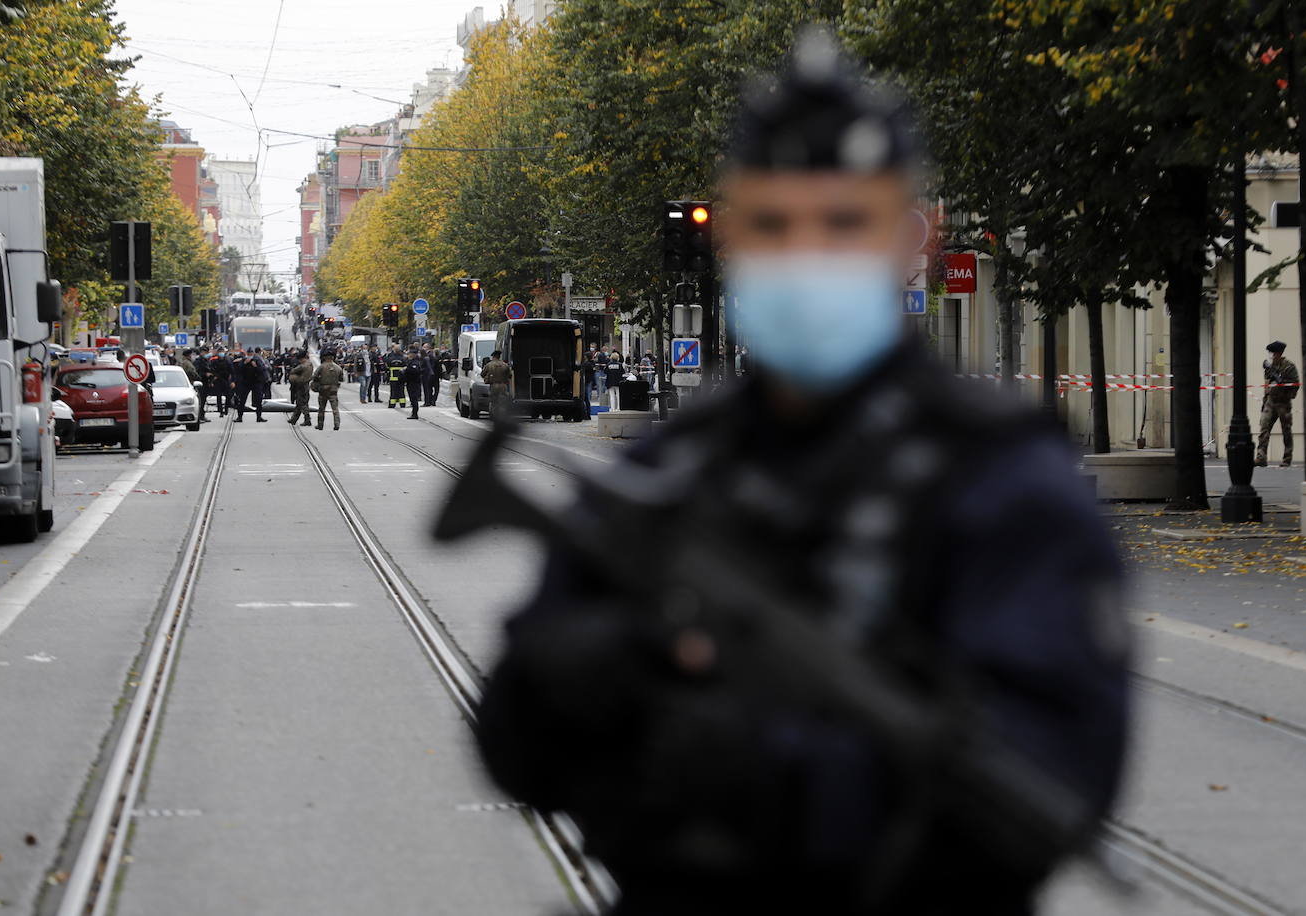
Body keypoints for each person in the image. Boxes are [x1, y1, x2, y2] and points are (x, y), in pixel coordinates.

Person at [473, 31, 1128, 916]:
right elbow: (516, 742)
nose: (808, 253)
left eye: (844, 223)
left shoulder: (998, 479)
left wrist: (768, 771)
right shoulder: (682, 461)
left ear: (911, 240)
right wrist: (596, 668)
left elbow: (1047, 781)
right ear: (731, 234)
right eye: (775, 224)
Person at [1256, 340, 1300, 468]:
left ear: (1279, 353)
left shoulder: (1289, 367)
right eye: (1271, 353)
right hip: (1270, 401)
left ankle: (1287, 458)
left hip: (1283, 402)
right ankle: (1261, 457)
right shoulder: (1270, 367)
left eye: (1273, 353)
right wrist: (1264, 402)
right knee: (1264, 427)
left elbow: (1295, 384)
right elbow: (1267, 384)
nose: (1271, 356)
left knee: (1286, 430)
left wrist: (1286, 390)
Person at [313, 350, 344, 431]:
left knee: (321, 408)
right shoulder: (338, 367)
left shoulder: (321, 367)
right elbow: (341, 378)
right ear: (333, 357)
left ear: (324, 357)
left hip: (323, 390)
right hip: (333, 390)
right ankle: (337, 424)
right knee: (335, 408)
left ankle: (320, 425)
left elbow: (315, 376)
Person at [481, 349, 512, 417]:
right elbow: (510, 375)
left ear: (493, 356)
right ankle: (503, 416)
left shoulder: (489, 365)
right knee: (503, 401)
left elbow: (482, 374)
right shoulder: (505, 365)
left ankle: (494, 416)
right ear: (499, 356)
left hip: (494, 386)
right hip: (503, 386)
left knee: (494, 401)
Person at [287, 350, 314, 427]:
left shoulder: (302, 366)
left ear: (301, 359)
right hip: (306, 385)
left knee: (302, 403)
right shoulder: (310, 364)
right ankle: (294, 419)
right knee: (300, 403)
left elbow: (293, 371)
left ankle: (307, 419)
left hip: (301, 385)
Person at [404, 344, 425, 420]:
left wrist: (406, 370)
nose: (408, 355)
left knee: (414, 398)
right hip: (410, 382)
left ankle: (415, 413)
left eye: (409, 354)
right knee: (412, 398)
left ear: (413, 354)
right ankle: (414, 413)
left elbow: (415, 371)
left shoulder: (415, 362)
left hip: (414, 382)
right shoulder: (411, 361)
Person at [386, 345, 408, 410]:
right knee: (401, 391)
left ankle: (392, 404)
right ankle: (402, 404)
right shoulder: (403, 358)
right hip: (401, 378)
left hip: (393, 378)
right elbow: (405, 366)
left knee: (393, 392)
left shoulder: (390, 358)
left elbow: (387, 366)